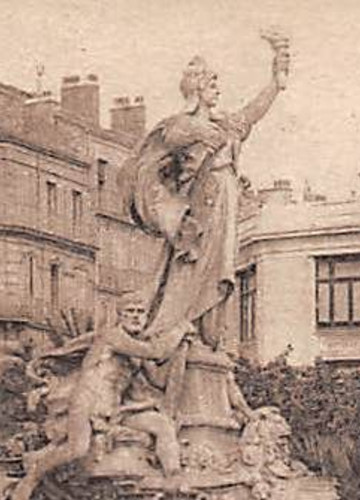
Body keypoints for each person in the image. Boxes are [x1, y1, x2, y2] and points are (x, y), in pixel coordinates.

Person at [124, 37, 289, 357]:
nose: (218, 89)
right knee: (194, 269)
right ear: (197, 88)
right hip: (202, 208)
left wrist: (275, 82)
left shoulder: (224, 124)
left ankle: (206, 337)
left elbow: (251, 114)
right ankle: (176, 330)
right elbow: (156, 155)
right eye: (213, 83)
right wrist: (198, 133)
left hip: (227, 203)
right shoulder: (180, 127)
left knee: (219, 271)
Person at [6, 294, 192, 500]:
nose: (135, 316)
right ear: (119, 316)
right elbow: (156, 351)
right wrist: (180, 330)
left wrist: (182, 351)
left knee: (162, 425)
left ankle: (174, 479)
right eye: (130, 311)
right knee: (77, 448)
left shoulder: (135, 350)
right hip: (87, 401)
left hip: (114, 409)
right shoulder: (112, 337)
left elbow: (159, 380)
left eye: (140, 312)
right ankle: (30, 480)